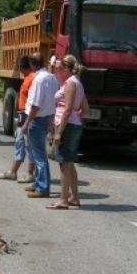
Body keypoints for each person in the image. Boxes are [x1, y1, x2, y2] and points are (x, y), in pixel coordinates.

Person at [47, 55, 89, 210]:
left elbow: (67, 109)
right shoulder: (78, 82)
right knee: (69, 163)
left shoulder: (70, 84)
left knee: (64, 163)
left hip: (67, 126)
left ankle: (63, 200)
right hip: (74, 125)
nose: (59, 71)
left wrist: (59, 132)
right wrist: (76, 116)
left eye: (61, 68)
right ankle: (74, 197)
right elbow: (85, 109)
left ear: (67, 68)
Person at [22, 52, 59, 198]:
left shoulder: (38, 80)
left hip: (37, 120)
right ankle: (38, 183)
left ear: (31, 65)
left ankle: (43, 188)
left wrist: (26, 122)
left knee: (39, 155)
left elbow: (35, 105)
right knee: (39, 153)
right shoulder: (52, 77)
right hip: (46, 118)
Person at [0, 56, 35, 182]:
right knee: (20, 142)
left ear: (22, 68)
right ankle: (13, 172)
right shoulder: (27, 78)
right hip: (22, 114)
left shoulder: (32, 79)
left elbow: (34, 101)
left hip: (26, 115)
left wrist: (26, 118)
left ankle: (30, 174)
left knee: (28, 144)